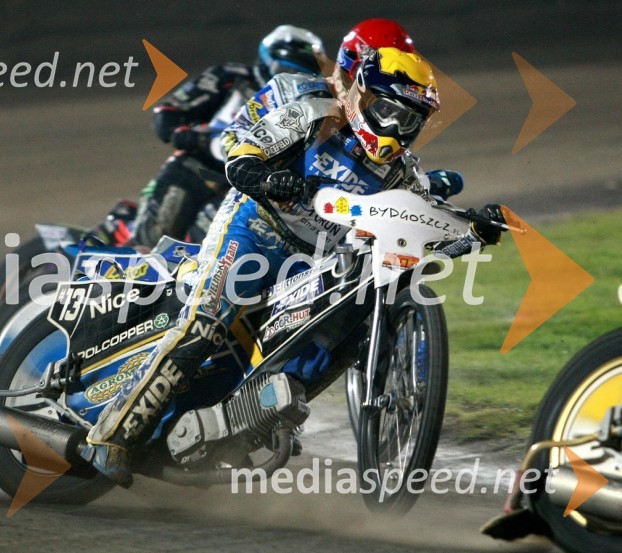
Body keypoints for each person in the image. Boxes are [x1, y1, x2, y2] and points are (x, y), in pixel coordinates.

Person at [82, 45, 502, 487]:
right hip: (252, 229)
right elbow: (240, 156)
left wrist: (473, 231)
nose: (396, 129)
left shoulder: (402, 174)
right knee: (205, 321)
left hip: (308, 263)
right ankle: (112, 433)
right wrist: (266, 178)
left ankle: (247, 422)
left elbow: (424, 230)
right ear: (361, 95)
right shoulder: (316, 114)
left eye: (410, 121)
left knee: (333, 337)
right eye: (388, 111)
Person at [221, 17, 463, 203]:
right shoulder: (294, 87)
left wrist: (424, 185)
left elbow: (376, 173)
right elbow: (231, 139)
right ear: (359, 60)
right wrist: (271, 178)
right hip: (249, 197)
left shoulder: (382, 115)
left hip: (332, 223)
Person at [130, 25, 327, 248]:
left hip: (249, 183)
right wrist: (184, 135)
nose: (290, 79)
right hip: (200, 165)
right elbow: (167, 112)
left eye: (301, 73)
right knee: (153, 237)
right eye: (283, 70)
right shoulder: (230, 76)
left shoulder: (312, 102)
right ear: (265, 61)